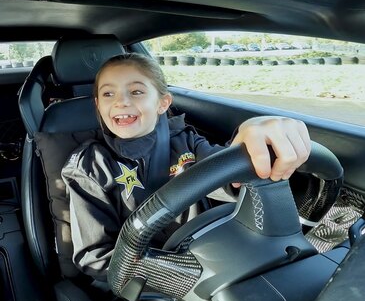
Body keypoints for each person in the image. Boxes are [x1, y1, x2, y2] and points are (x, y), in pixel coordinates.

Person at [61, 53, 311, 285]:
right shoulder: (88, 166)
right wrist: (181, 275)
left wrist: (255, 135)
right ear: (98, 106)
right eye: (108, 94)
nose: (121, 102)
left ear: (162, 103)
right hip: (141, 283)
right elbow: (94, 256)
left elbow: (233, 178)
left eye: (136, 91)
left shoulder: (188, 142)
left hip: (214, 260)